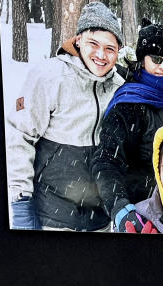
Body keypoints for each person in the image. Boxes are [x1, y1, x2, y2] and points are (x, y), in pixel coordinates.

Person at [7, 1, 125, 231]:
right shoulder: (49, 77)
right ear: (78, 39)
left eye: (110, 48)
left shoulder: (119, 87)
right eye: (94, 44)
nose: (101, 55)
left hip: (99, 218)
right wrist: (21, 201)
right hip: (53, 213)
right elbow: (20, 137)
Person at [93, 21, 163, 232]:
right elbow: (106, 160)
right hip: (141, 215)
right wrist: (121, 207)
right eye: (157, 59)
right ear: (142, 60)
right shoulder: (128, 103)